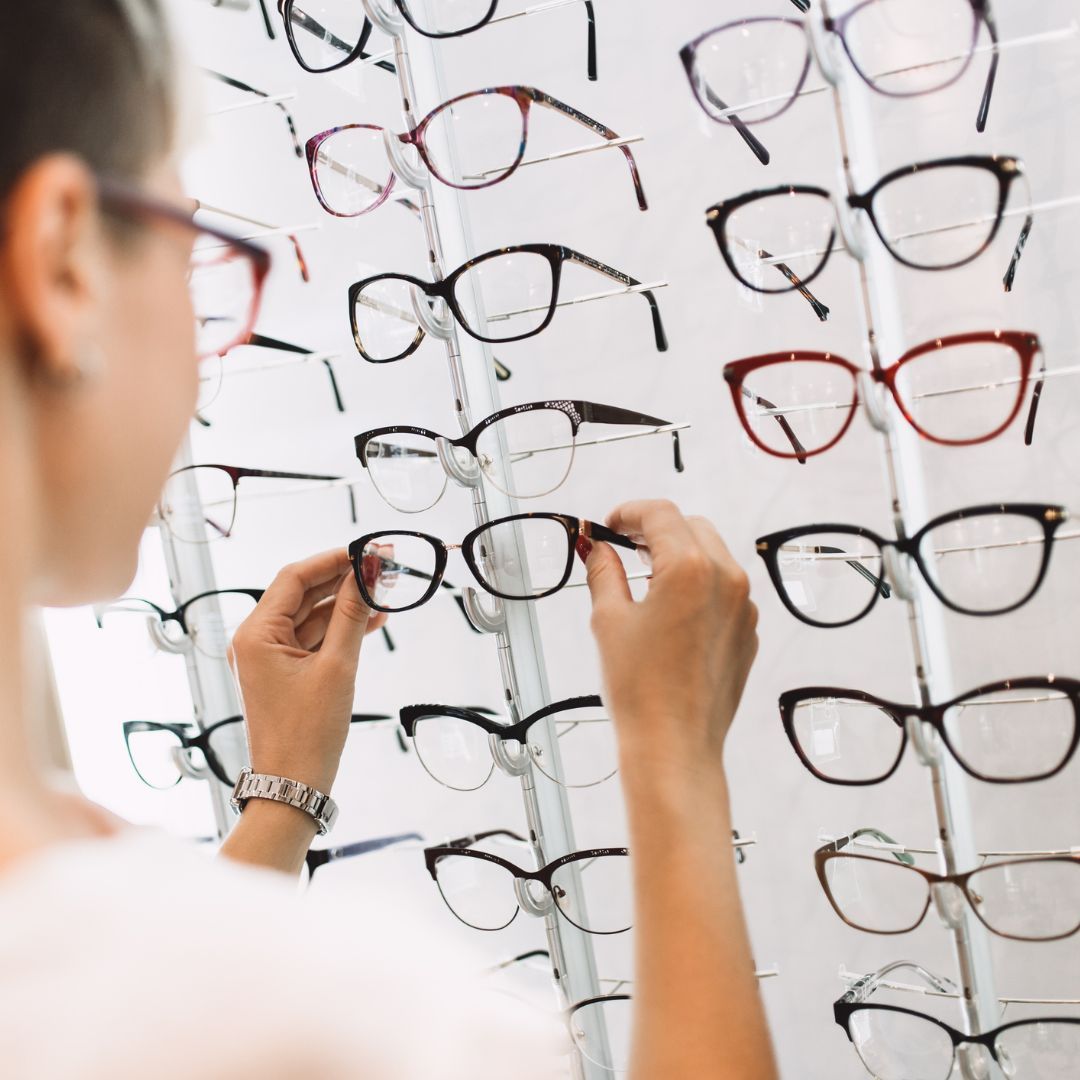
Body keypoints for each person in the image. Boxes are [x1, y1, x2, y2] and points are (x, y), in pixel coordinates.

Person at [0, 3, 778, 1078]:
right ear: (65, 265)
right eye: (194, 259)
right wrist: (674, 759)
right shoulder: (355, 1023)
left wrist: (279, 802)